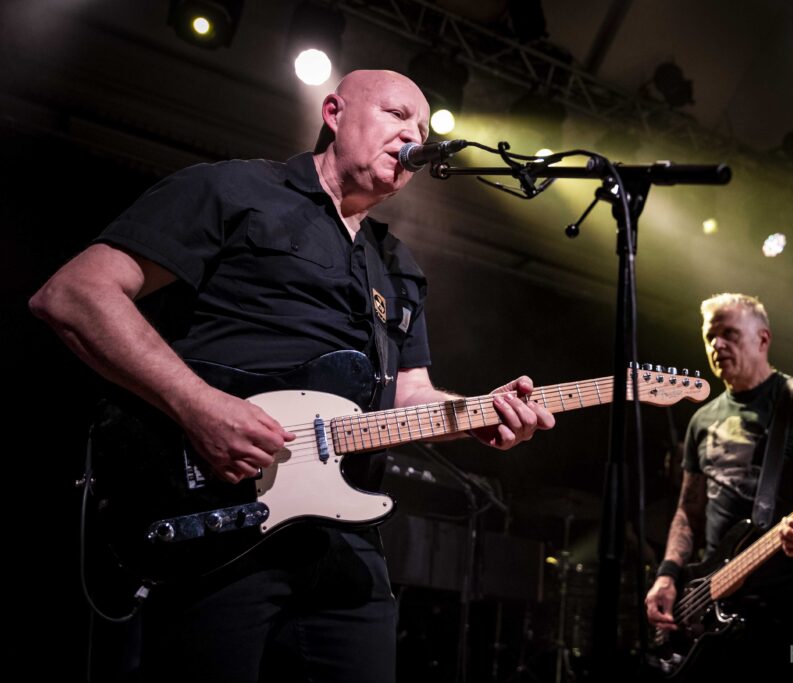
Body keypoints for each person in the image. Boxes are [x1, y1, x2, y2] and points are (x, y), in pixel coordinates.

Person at [29, 69, 555, 683]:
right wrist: (198, 406)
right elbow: (76, 294)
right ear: (333, 112)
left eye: (421, 126)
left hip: (344, 543)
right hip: (215, 515)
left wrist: (478, 415)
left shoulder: (397, 266)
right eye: (396, 114)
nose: (414, 135)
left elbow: (407, 393)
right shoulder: (233, 189)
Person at [644, 293, 793, 681]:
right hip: (713, 601)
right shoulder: (701, 419)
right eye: (710, 336)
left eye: (729, 334)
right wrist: (667, 575)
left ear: (763, 339)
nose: (717, 345)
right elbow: (688, 510)